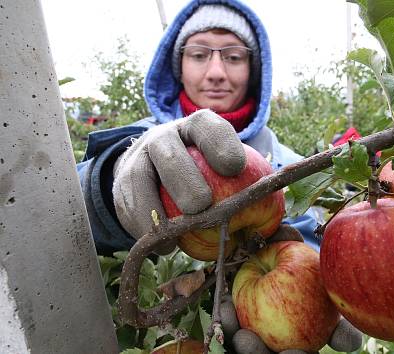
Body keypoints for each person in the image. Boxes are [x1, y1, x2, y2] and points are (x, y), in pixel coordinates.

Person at [77, 1, 361, 351]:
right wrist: (107, 185)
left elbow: (307, 242)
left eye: (233, 56)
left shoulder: (290, 168)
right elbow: (50, 211)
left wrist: (324, 283)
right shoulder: (135, 146)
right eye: (199, 54)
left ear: (254, 71)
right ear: (177, 67)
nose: (215, 71)